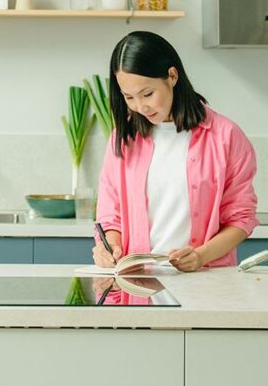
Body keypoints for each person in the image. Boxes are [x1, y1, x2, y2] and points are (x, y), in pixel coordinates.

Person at [93, 31, 258, 272]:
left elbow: (241, 219)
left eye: (147, 94)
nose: (140, 106)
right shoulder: (124, 138)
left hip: (206, 282)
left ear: (172, 76)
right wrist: (110, 248)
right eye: (129, 97)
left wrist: (200, 256)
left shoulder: (226, 136)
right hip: (138, 284)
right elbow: (111, 215)